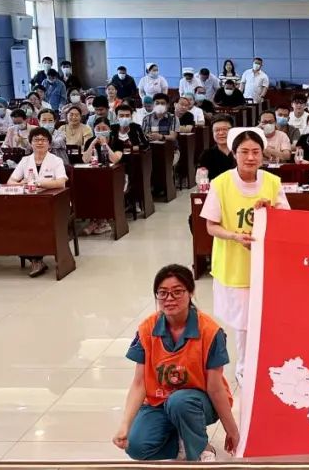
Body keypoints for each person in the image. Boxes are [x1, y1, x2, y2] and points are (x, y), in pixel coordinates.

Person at [114, 265, 237, 462]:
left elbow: (215, 389)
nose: (169, 299)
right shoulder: (147, 328)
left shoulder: (210, 332)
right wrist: (125, 426)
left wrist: (232, 430)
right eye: (162, 293)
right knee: (136, 447)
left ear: (191, 292)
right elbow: (139, 383)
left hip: (198, 403)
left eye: (177, 292)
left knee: (180, 402)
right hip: (158, 402)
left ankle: (199, 450)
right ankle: (183, 440)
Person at [201, 129, 288, 388]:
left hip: (265, 264)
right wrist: (234, 236)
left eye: (256, 152)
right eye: (244, 152)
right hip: (234, 264)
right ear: (234, 154)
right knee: (243, 322)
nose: (250, 157)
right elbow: (211, 226)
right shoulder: (221, 183)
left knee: (263, 318)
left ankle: (263, 360)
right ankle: (244, 367)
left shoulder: (272, 182)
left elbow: (286, 220)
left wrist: (270, 211)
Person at [6, 127, 68, 277]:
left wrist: (38, 183)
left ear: (49, 143)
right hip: (28, 205)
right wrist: (22, 183)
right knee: (15, 224)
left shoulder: (56, 160)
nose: (40, 143)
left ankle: (36, 259)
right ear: (30, 143)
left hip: (51, 204)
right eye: (36, 140)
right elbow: (10, 182)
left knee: (35, 222)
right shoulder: (25, 160)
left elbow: (61, 182)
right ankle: (35, 259)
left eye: (43, 140)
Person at [198, 115, 236, 181]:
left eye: (225, 129)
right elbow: (202, 180)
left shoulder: (241, 151)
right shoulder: (206, 155)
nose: (221, 133)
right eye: (217, 130)